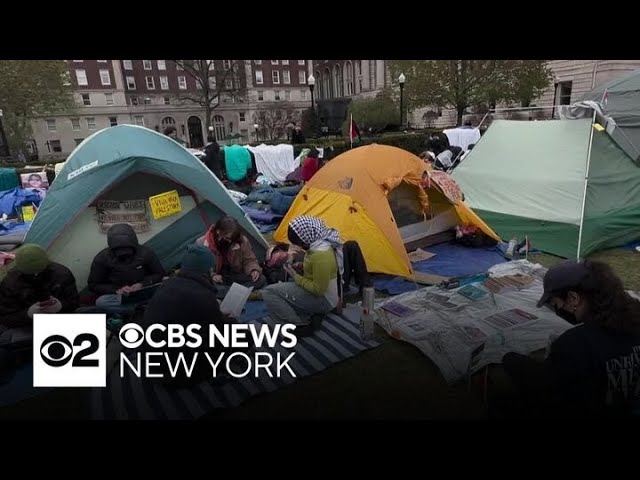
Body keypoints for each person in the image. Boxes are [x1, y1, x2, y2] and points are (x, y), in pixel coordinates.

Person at [498, 260, 640, 418]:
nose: (558, 309)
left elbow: (544, 386)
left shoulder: (575, 344)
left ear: (573, 298)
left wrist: (510, 359)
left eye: (556, 303)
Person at [140, 244, 241, 386]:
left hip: (150, 364)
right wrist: (230, 320)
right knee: (242, 336)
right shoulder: (203, 296)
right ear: (207, 270)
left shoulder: (168, 284)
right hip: (173, 374)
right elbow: (218, 332)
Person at [261, 215, 343, 336]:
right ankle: (309, 315)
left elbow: (318, 290)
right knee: (281, 293)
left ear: (305, 238)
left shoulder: (320, 255)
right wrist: (301, 266)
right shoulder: (320, 244)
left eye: (298, 243)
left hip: (324, 300)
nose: (298, 246)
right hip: (323, 295)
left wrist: (295, 276)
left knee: (269, 292)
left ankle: (298, 326)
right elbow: (318, 271)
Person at [87, 223, 165, 315]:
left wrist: (142, 284)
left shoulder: (146, 253)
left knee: (168, 288)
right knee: (101, 302)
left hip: (144, 290)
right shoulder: (102, 258)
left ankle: (141, 308)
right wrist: (117, 290)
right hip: (119, 295)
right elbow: (93, 285)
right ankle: (139, 309)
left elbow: (159, 273)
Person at [0, 244, 78, 328]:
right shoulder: (10, 283)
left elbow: (74, 302)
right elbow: (5, 318)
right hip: (29, 327)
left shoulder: (62, 274)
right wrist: (28, 314)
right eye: (31, 273)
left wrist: (61, 306)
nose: (36, 275)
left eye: (39, 272)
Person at [196, 216, 266, 298]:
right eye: (227, 238)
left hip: (234, 273)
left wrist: (253, 270)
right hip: (218, 276)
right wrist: (213, 275)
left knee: (260, 279)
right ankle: (241, 292)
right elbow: (200, 270)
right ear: (218, 231)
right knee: (207, 287)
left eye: (232, 239)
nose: (230, 241)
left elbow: (249, 259)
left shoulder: (241, 240)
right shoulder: (202, 243)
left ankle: (235, 293)